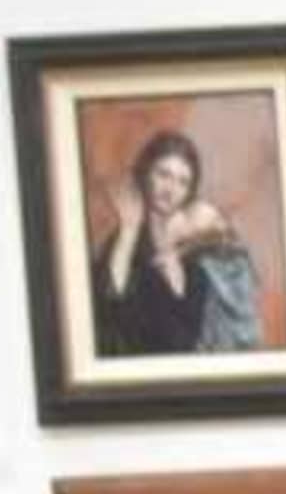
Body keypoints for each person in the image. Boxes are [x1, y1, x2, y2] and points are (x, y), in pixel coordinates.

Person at [90, 130, 263, 359]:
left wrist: (178, 284)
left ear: (190, 191)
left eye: (183, 182)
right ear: (146, 173)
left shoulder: (197, 254)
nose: (170, 189)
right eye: (163, 174)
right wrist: (129, 230)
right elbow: (108, 310)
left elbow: (187, 340)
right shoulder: (123, 238)